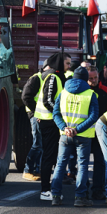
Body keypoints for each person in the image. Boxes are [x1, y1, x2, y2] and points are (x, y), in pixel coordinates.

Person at [50, 66, 99, 207]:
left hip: (65, 136)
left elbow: (56, 113)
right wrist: (77, 130)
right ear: (85, 79)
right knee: (82, 166)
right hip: (83, 136)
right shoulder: (91, 94)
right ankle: (80, 197)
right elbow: (93, 116)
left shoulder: (63, 93)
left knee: (60, 165)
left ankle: (55, 196)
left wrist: (64, 128)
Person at [36, 53, 71, 200]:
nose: (69, 66)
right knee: (49, 157)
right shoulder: (53, 77)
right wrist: (59, 116)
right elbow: (48, 100)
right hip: (48, 122)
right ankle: (45, 190)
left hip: (53, 122)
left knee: (55, 157)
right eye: (67, 63)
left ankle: (52, 188)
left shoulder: (59, 76)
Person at [84, 63, 107, 200]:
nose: (94, 80)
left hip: (100, 133)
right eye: (91, 78)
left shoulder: (105, 91)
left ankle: (97, 189)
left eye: (95, 78)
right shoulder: (83, 92)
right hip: (84, 132)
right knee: (83, 162)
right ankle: (83, 189)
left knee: (100, 162)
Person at [20, 60, 49, 181]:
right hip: (36, 115)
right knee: (37, 144)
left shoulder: (47, 79)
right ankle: (28, 170)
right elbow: (26, 97)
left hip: (41, 115)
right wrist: (36, 113)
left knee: (41, 144)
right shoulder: (36, 78)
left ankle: (36, 170)